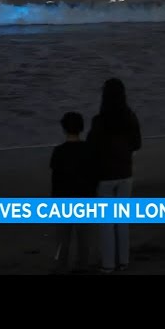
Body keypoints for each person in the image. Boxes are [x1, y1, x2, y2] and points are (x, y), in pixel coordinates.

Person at [86, 78, 141, 273]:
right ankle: (123, 261)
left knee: (107, 223)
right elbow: (137, 144)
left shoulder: (99, 121)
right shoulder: (130, 117)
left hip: (105, 176)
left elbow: (91, 149)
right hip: (125, 173)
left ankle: (108, 264)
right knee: (122, 221)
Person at [49, 111, 96, 273]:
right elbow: (93, 176)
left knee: (63, 238)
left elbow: (55, 180)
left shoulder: (58, 151)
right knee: (83, 238)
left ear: (64, 129)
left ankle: (61, 266)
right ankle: (82, 265)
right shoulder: (88, 149)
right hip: (84, 197)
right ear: (81, 128)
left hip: (63, 198)